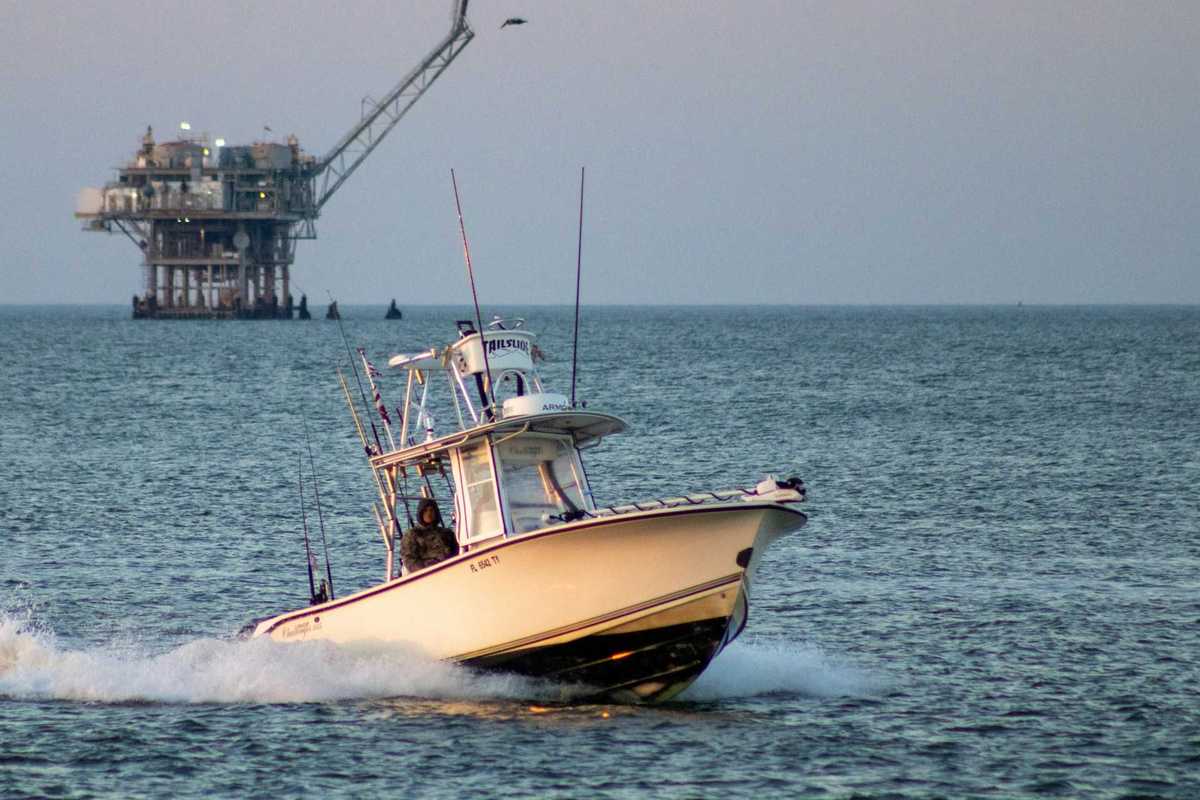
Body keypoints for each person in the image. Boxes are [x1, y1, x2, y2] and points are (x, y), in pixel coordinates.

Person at [401, 499, 458, 573]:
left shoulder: (447, 533)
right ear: (421, 513)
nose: (429, 513)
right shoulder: (412, 534)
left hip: (450, 568)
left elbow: (457, 551)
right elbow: (409, 559)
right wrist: (426, 570)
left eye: (431, 510)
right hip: (427, 573)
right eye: (425, 511)